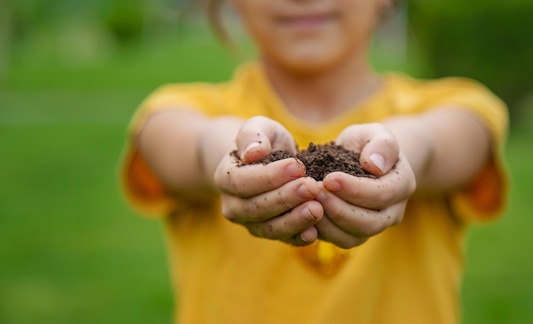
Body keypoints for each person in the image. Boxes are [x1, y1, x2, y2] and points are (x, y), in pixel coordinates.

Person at [120, 0, 509, 323]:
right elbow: (194, 145)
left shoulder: (456, 107)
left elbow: (437, 142)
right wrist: (242, 154)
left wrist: (391, 153)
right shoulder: (176, 111)